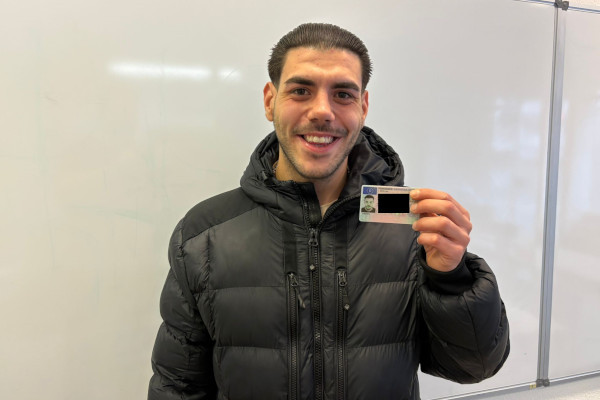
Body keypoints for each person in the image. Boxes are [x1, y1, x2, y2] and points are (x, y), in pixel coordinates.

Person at [148, 23, 509, 400]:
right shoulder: (203, 236)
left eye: (343, 94)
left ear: (363, 107)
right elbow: (179, 387)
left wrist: (451, 278)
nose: (322, 111)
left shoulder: (415, 229)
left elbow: (473, 366)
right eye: (301, 90)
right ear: (270, 101)